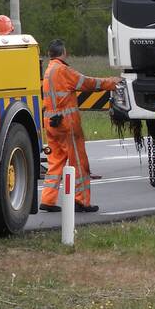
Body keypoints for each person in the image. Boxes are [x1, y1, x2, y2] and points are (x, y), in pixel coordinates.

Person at [39, 39, 120, 214]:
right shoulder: (62, 70)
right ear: (64, 52)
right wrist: (112, 82)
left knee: (55, 162)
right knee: (79, 163)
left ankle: (47, 199)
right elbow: (88, 83)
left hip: (51, 123)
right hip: (67, 124)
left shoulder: (48, 71)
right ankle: (81, 201)